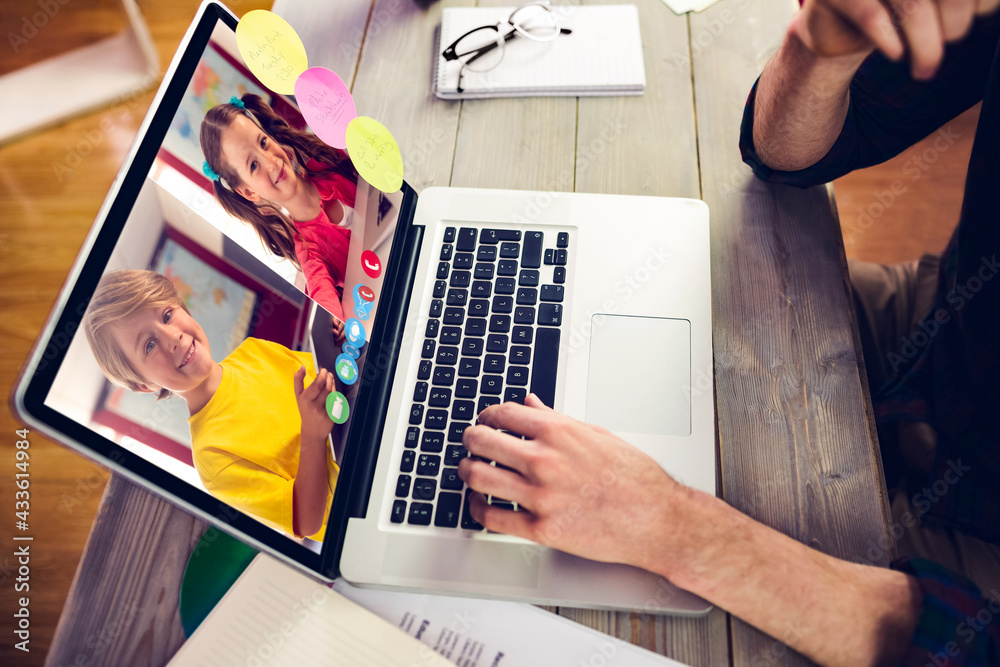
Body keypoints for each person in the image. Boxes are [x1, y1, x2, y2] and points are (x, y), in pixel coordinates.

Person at [459, 0, 1000, 663]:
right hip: (938, 331)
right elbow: (787, 151)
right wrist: (823, 48)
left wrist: (677, 528)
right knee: (614, 296)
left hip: (975, 552)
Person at [83, 270, 338, 540]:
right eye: (149, 345)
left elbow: (334, 383)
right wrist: (312, 433)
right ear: (145, 385)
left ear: (183, 308)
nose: (172, 338)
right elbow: (308, 520)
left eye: (167, 315)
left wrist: (340, 348)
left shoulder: (254, 351)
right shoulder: (211, 457)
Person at [200, 94, 358, 329]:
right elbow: (322, 295)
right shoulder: (308, 250)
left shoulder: (328, 158)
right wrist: (333, 322)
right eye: (253, 165)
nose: (272, 162)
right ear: (249, 192)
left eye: (263, 143)